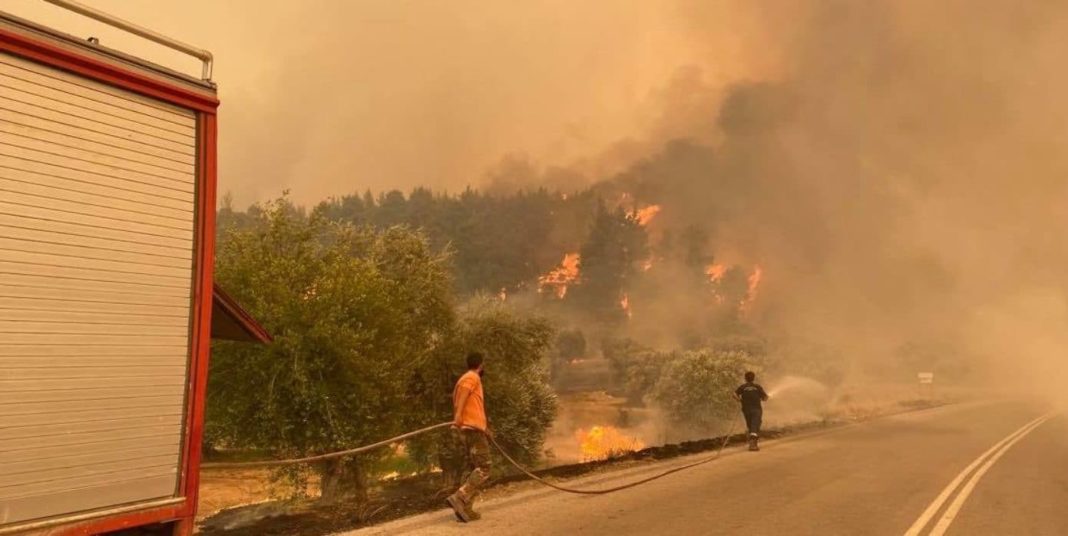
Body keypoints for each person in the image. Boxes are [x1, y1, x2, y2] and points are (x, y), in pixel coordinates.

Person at [446, 352, 491, 522]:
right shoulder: (472, 377)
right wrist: (458, 416)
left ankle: (465, 510)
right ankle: (460, 497)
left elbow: (470, 405)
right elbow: (465, 393)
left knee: (474, 468)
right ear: (481, 364)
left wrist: (484, 428)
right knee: (484, 467)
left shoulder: (465, 378)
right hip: (471, 429)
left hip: (472, 428)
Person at [734, 371, 769, 451]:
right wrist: (765, 398)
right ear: (753, 378)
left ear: (745, 378)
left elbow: (734, 394)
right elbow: (765, 398)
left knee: (750, 425)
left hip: (746, 409)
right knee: (755, 424)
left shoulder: (743, 387)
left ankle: (752, 440)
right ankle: (753, 444)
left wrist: (739, 400)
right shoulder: (757, 387)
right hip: (756, 409)